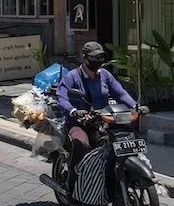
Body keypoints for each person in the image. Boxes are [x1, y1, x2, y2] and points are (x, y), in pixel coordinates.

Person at [56, 41, 138, 188]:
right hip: (78, 123)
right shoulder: (72, 77)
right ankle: (71, 181)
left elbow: (120, 93)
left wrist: (135, 106)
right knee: (82, 144)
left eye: (101, 57)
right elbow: (62, 97)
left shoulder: (105, 75)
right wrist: (74, 111)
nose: (98, 61)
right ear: (85, 58)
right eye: (94, 58)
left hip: (102, 121)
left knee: (117, 143)